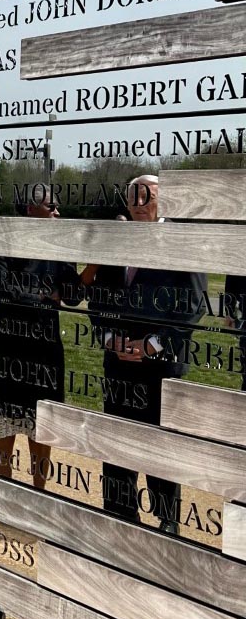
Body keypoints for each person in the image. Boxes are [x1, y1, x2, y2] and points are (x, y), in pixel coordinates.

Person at [88, 175, 207, 534]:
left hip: (162, 368)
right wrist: (110, 338)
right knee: (118, 446)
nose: (140, 203)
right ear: (126, 204)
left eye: (148, 196)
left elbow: (194, 304)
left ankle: (167, 527)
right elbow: (97, 301)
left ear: (163, 201)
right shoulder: (115, 242)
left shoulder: (181, 241)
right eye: (134, 197)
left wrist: (152, 344)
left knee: (162, 452)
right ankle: (120, 522)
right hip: (118, 365)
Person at [0, 190, 85, 488]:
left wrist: (89, 269)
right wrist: (43, 296)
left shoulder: (59, 244)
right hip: (9, 342)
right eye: (52, 206)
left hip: (44, 346)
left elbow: (73, 296)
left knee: (42, 420)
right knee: (3, 416)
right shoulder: (7, 239)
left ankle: (39, 490)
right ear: (30, 208)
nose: (58, 213)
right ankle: (6, 484)